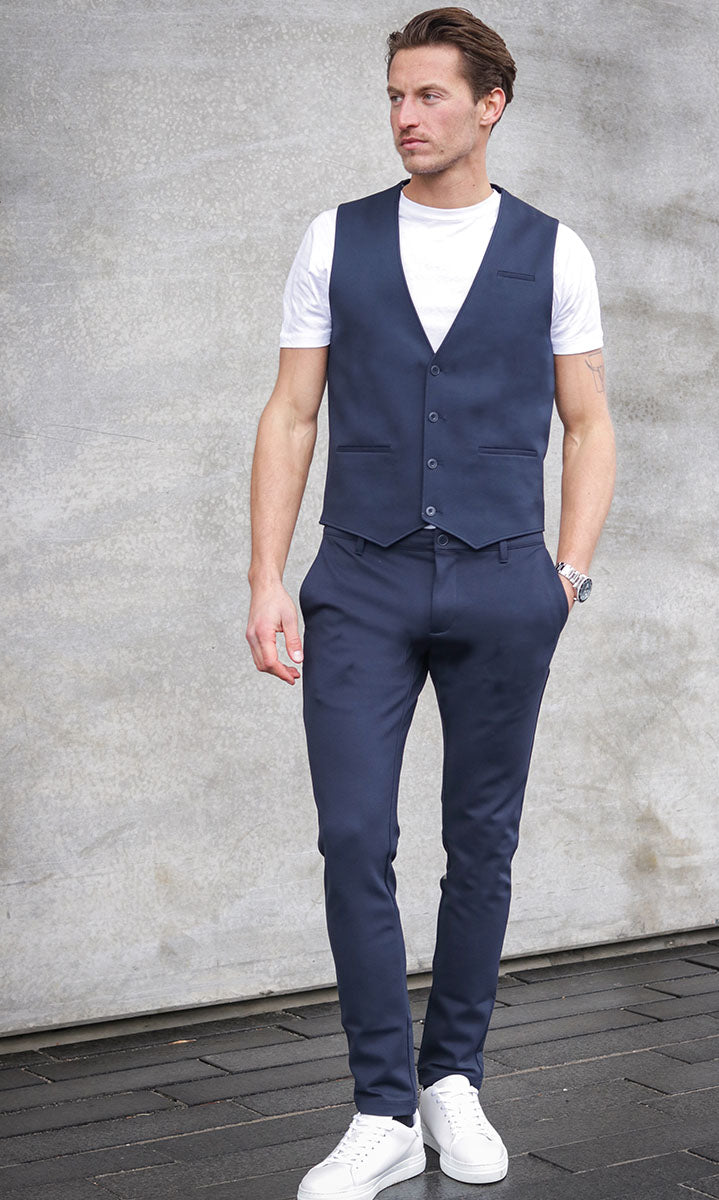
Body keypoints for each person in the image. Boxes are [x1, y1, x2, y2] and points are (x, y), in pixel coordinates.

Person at [246, 8, 616, 1198]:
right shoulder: (335, 238)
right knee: (355, 835)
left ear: (488, 104)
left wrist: (565, 575)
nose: (405, 117)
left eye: (429, 96)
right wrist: (265, 577)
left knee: (481, 840)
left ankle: (450, 1076)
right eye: (395, 97)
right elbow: (291, 413)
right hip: (358, 577)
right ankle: (381, 1109)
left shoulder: (553, 252)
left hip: (506, 580)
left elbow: (588, 422)